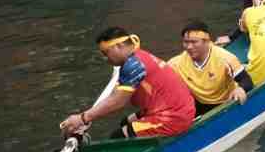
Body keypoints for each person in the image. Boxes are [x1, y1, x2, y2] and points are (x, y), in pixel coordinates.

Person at [58, 27, 198, 139]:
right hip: (179, 108)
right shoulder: (139, 56)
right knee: (125, 122)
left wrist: (83, 118)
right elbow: (114, 95)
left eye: (106, 53)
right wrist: (86, 119)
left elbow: (117, 101)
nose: (106, 58)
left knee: (117, 136)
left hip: (174, 117)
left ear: (119, 46)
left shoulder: (134, 65)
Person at [167, 21, 253, 112]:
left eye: (194, 42)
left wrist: (241, 89)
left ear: (206, 41)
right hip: (198, 104)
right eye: (186, 42)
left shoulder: (225, 58)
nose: (189, 47)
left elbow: (246, 80)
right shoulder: (176, 63)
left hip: (225, 102)